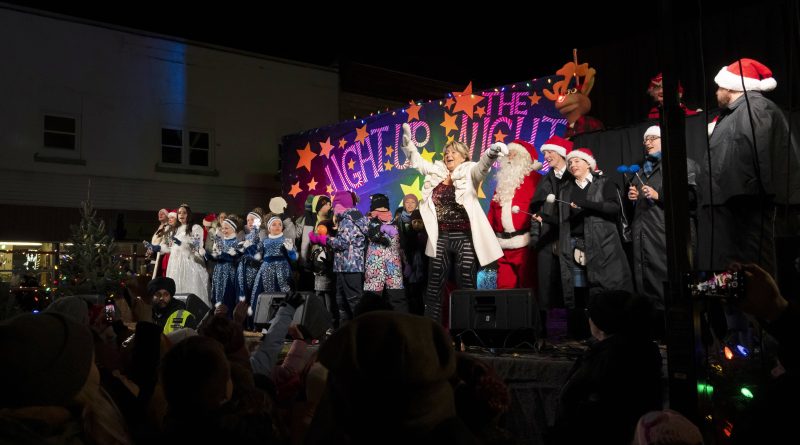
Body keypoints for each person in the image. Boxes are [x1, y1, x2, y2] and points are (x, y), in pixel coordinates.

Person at [399, 123, 505, 323]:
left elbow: (482, 167)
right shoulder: (436, 172)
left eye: (453, 152)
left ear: (464, 156)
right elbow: (417, 161)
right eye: (446, 152)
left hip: (464, 238)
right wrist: (408, 143)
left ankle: (467, 330)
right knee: (434, 287)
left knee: (466, 283)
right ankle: (432, 329)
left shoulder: (470, 172)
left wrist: (490, 153)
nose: (448, 155)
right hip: (441, 238)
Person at [698, 58, 790, 275]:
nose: (716, 92)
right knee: (732, 273)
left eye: (719, 87)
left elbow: (761, 157)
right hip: (731, 209)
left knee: (751, 272)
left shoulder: (755, 108)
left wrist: (749, 200)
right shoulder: (735, 113)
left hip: (742, 210)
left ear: (731, 87)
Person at [555, 291, 662, 444]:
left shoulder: (605, 357)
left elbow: (570, 402)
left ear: (600, 323)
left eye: (590, 315)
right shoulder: (646, 349)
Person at [628, 126, 701, 336]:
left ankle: (677, 335)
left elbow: (692, 199)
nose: (648, 143)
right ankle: (655, 333)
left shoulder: (681, 164)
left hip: (667, 237)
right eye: (646, 140)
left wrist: (659, 195)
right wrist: (633, 198)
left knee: (669, 285)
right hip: (644, 237)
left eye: (653, 138)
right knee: (646, 288)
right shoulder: (641, 171)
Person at [558, 148, 633, 339]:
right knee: (583, 292)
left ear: (588, 164)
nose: (572, 165)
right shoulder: (566, 189)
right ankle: (588, 334)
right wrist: (543, 218)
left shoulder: (604, 183)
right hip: (576, 246)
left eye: (577, 161)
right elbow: (563, 219)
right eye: (570, 162)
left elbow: (614, 208)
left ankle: (615, 333)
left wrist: (586, 203)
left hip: (604, 244)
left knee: (610, 289)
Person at [530, 136, 574, 340]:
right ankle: (545, 334)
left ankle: (575, 332)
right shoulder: (545, 180)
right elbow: (536, 209)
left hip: (569, 235)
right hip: (547, 236)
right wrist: (535, 236)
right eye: (545, 153)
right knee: (546, 285)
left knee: (571, 284)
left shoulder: (573, 177)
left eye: (550, 152)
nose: (546, 156)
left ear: (562, 153)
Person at [486, 140, 543, 289]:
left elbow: (541, 208)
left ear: (524, 158)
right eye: (508, 154)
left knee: (528, 287)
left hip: (525, 245)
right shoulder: (503, 182)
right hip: (503, 246)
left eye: (514, 154)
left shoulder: (535, 179)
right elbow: (493, 211)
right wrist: (487, 236)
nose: (510, 157)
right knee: (504, 288)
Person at [308, 190, 368, 325]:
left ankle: (362, 330)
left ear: (340, 205)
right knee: (342, 302)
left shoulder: (348, 220)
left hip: (350, 267)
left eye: (334, 205)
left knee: (354, 301)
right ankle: (345, 331)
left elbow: (343, 243)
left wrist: (323, 239)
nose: (333, 209)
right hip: (343, 266)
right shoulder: (347, 219)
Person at [363, 193, 406, 311]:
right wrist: (381, 229)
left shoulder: (396, 223)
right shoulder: (368, 222)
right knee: (372, 302)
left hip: (394, 267)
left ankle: (400, 322)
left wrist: (407, 263)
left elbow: (402, 245)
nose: (381, 210)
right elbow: (371, 234)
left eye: (384, 207)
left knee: (398, 300)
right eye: (378, 207)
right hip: (375, 267)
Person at [251, 216, 297, 303]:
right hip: (266, 270)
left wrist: (291, 250)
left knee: (284, 291)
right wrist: (255, 230)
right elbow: (257, 252)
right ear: (269, 228)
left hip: (282, 269)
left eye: (280, 224)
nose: (277, 226)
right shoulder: (264, 241)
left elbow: (294, 257)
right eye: (274, 224)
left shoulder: (286, 240)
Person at [205, 214, 243, 312]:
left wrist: (226, 255)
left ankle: (227, 316)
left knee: (227, 295)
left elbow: (236, 259)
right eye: (223, 228)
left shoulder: (236, 242)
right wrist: (207, 254)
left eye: (226, 228)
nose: (224, 230)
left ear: (233, 229)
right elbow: (216, 256)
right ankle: (217, 315)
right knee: (217, 294)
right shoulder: (221, 242)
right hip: (218, 272)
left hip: (229, 272)